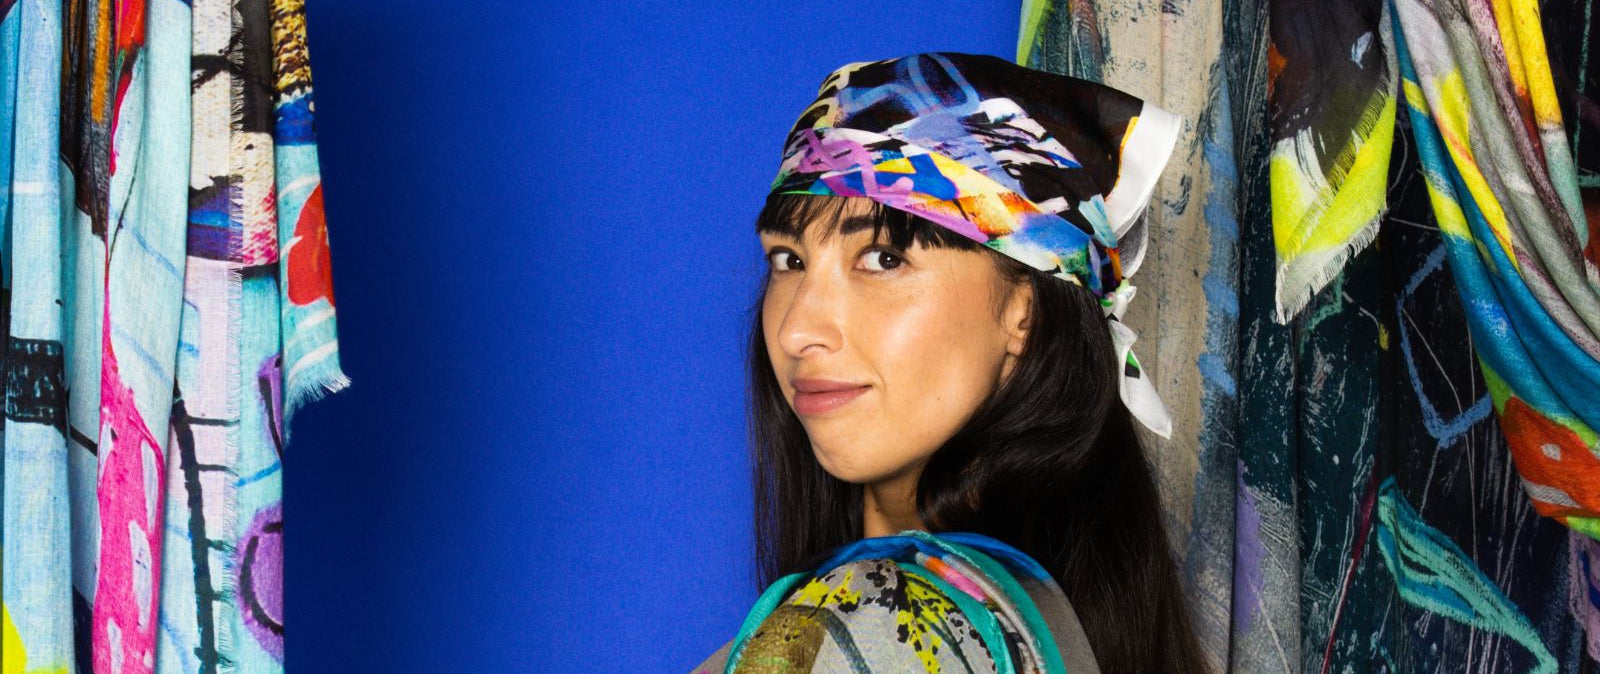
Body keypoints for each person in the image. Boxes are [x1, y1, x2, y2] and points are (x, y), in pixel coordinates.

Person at [693, 52, 1207, 673]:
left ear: (1024, 313)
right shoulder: (1045, 610)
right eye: (788, 260)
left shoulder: (888, 624)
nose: (799, 328)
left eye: (883, 259)